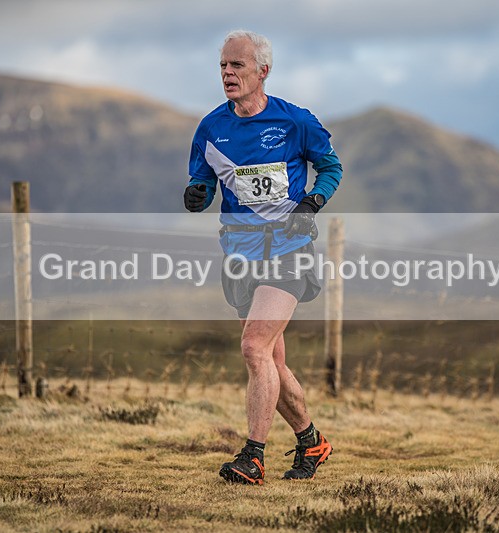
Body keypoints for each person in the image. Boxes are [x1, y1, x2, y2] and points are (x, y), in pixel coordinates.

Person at [184, 29, 343, 485]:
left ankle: (253, 456)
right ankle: (311, 441)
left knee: (254, 347)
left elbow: (331, 166)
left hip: (289, 251)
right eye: (223, 66)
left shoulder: (296, 122)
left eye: (238, 66)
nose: (228, 74)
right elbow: (202, 179)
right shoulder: (212, 127)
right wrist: (197, 194)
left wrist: (313, 201)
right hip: (239, 256)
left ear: (263, 71)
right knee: (270, 362)